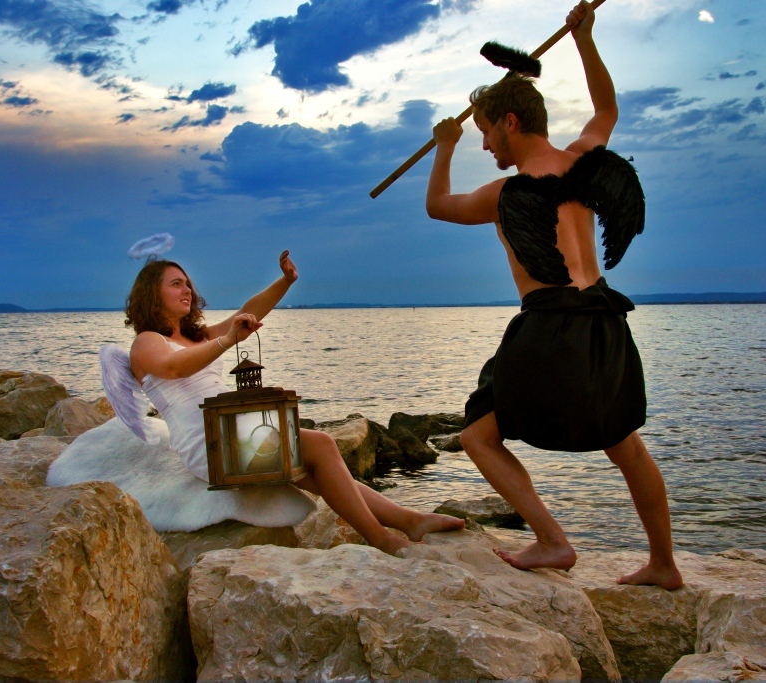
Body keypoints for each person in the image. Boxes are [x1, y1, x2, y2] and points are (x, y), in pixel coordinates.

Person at [424, 1, 682, 588]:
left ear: (511, 122)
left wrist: (444, 144)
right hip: (604, 318)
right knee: (626, 445)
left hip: (548, 324)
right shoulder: (584, 164)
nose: (485, 146)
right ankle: (665, 565)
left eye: (485, 133)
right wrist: (585, 38)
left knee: (477, 436)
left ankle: (552, 541)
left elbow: (437, 206)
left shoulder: (504, 194)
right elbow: (606, 109)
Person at [125, 250, 464, 556]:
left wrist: (286, 281)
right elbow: (173, 367)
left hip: (234, 434)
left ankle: (409, 520)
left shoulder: (195, 337)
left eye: (187, 283)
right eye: (176, 284)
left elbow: (247, 313)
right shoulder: (146, 342)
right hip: (208, 446)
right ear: (152, 294)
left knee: (321, 473)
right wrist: (227, 340)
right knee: (321, 444)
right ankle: (382, 539)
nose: (187, 290)